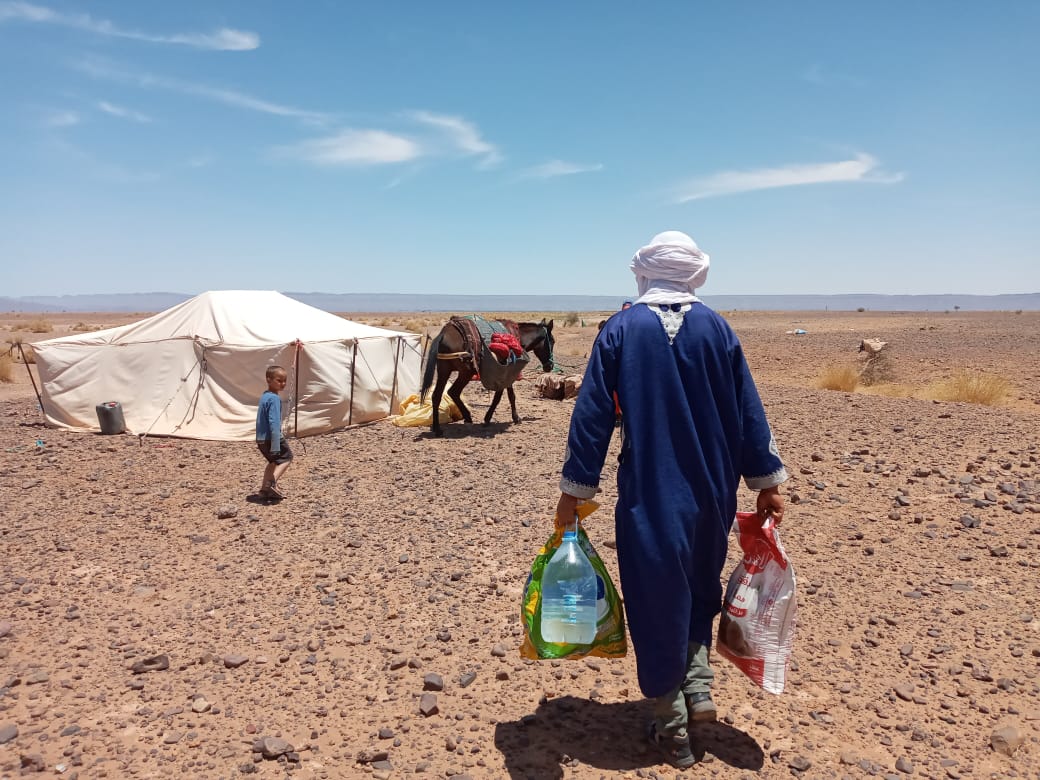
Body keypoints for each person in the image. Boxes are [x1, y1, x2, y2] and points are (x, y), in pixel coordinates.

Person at [555, 230, 787, 769]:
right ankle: (698, 686)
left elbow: (591, 416)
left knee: (655, 593)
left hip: (651, 491)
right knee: (698, 582)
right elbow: (749, 409)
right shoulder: (718, 329)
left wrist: (575, 491)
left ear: (644, 272)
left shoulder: (620, 329)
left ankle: (673, 725)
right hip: (712, 489)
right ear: (693, 273)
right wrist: (767, 481)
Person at [256, 365, 293, 500]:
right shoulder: (274, 399)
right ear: (268, 379)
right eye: (279, 380)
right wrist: (276, 443)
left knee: (273, 462)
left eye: (284, 380)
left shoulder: (264, 396)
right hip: (272, 437)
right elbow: (274, 422)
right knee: (286, 457)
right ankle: (271, 483)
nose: (282, 384)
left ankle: (264, 491)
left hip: (261, 438)